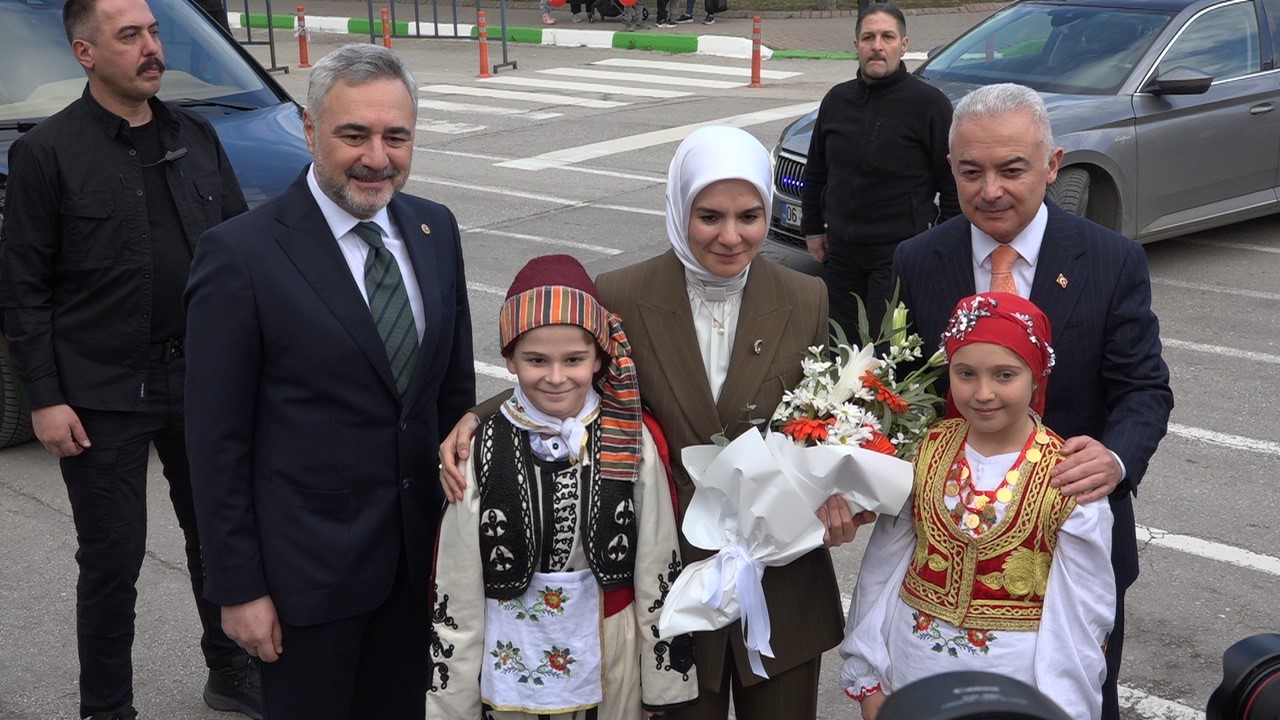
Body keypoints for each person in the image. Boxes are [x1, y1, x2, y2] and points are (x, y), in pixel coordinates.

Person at [440, 126, 875, 720]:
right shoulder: (621, 293)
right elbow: (563, 370)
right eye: (709, 216)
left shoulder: (805, 297)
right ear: (679, 207)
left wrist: (848, 492)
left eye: (749, 216)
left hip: (781, 577)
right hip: (670, 580)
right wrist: (478, 415)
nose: (730, 236)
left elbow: (828, 418)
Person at [183, 43, 475, 720]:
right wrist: (238, 589)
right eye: (354, 135)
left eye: (395, 136)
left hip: (419, 571)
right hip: (304, 590)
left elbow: (451, 400)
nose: (378, 157)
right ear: (311, 130)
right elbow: (215, 442)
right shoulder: (242, 255)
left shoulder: (435, 229)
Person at [0, 0, 257, 715]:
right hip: (104, 391)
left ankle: (231, 672)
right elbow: (23, 290)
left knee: (220, 538)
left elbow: (243, 261)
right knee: (112, 563)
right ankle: (106, 707)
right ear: (86, 54)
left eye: (152, 32)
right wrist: (46, 396)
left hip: (203, 379)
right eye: (130, 36)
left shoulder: (196, 135)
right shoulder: (47, 154)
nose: (152, 47)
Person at [892, 83, 1174, 720]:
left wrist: (1115, 459)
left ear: (1053, 165)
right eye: (972, 171)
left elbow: (1143, 388)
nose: (991, 190)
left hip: (1074, 545)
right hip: (951, 561)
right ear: (951, 171)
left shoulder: (1111, 259)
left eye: (1012, 169)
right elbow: (903, 394)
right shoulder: (918, 258)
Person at [427, 254, 698, 719]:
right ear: (509, 360)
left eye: (574, 359)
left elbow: (658, 560)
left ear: (598, 357)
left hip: (613, 647)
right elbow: (457, 582)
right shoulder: (481, 446)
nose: (556, 377)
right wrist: (453, 706)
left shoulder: (628, 436)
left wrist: (662, 686)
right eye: (536, 360)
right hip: (507, 646)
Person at [840, 292, 1115, 720]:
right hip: (913, 667)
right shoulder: (925, 450)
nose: (983, 393)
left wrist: (1064, 707)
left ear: (1037, 377)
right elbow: (882, 566)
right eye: (965, 373)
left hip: (1015, 680)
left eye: (1004, 375)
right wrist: (868, 672)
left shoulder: (1069, 476)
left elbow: (1082, 612)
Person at [801, 3, 959, 339]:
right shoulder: (836, 100)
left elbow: (953, 185)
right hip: (840, 254)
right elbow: (816, 170)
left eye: (887, 36)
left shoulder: (929, 105)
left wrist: (938, 244)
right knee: (837, 348)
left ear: (903, 45)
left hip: (898, 257)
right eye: (868, 37)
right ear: (856, 45)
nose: (877, 45)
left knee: (887, 354)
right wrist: (813, 228)